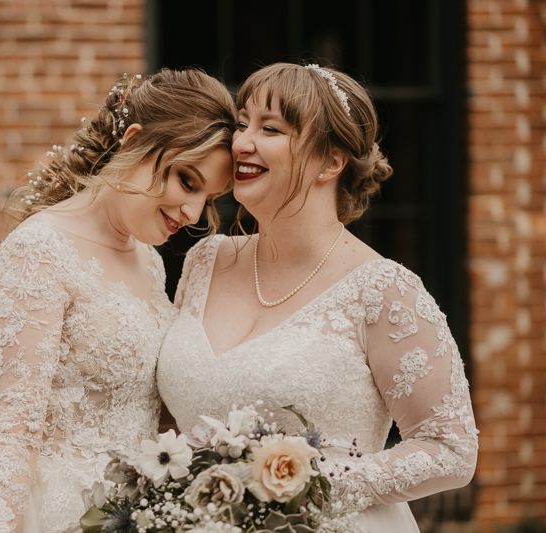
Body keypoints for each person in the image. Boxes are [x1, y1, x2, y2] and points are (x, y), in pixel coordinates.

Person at [0, 69, 236, 533]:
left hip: (134, 512)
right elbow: (14, 436)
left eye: (209, 197)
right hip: (53, 514)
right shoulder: (38, 250)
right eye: (188, 180)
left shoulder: (149, 260)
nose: (193, 213)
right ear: (134, 141)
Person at [156, 62, 478, 532]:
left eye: (270, 129)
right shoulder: (205, 259)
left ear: (331, 160)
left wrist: (287, 488)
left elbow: (450, 448)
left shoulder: (383, 290)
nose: (242, 142)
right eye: (241, 123)